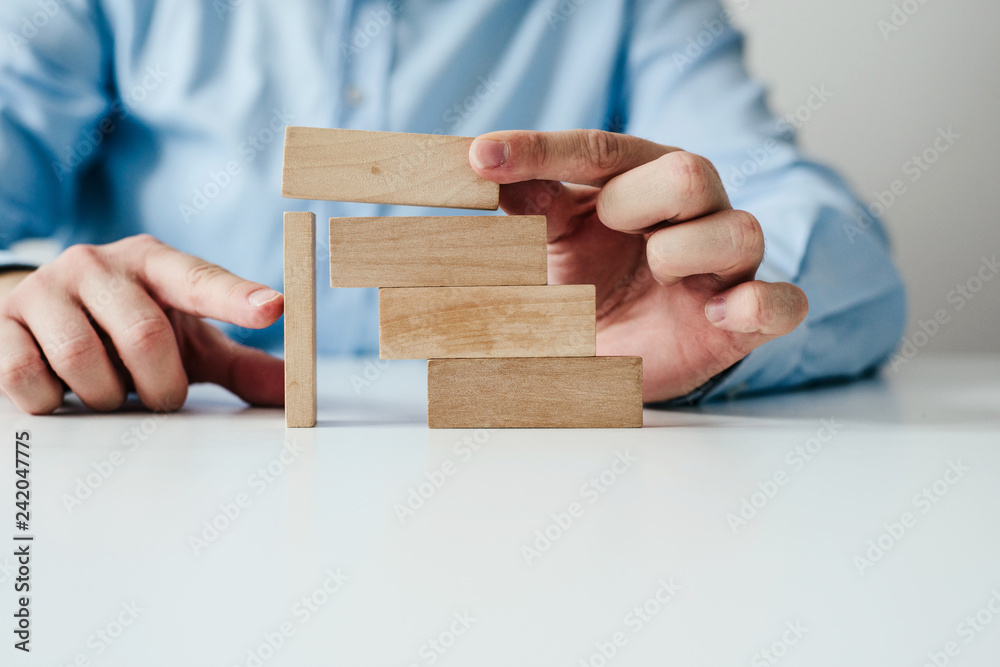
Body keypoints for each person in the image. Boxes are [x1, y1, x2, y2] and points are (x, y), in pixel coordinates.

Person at [0, 0, 905, 415]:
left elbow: (838, 250)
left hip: (521, 494)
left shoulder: (636, 10)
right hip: (151, 467)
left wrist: (720, 308)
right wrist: (20, 292)